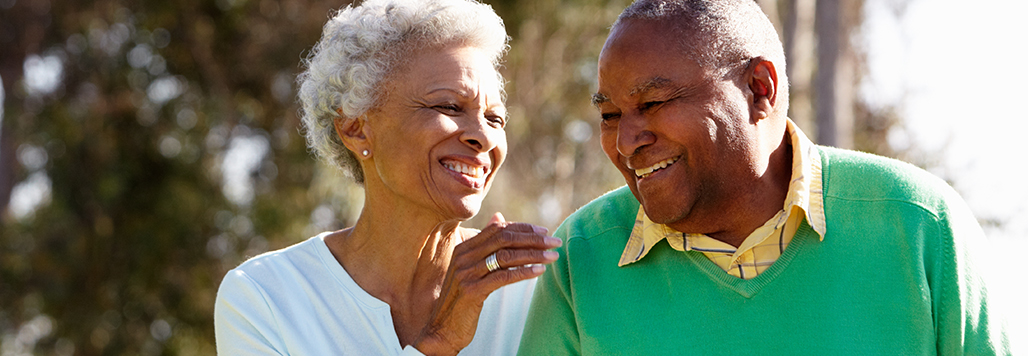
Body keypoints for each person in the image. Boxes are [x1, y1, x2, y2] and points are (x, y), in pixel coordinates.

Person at [519, 0, 1011, 354]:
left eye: (652, 104)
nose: (626, 142)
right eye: (609, 115)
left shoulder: (919, 224)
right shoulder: (580, 258)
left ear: (759, 89)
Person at [214, 0, 560, 355]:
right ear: (356, 129)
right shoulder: (265, 297)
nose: (484, 137)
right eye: (449, 107)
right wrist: (439, 342)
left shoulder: (537, 290)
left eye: (495, 118)